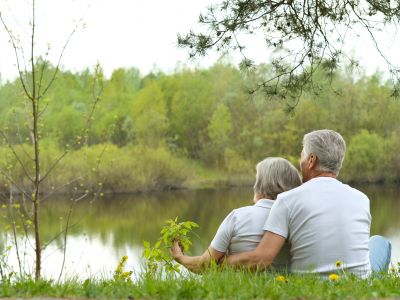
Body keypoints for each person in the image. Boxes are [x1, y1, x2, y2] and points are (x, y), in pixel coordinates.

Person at [224, 129, 391, 277]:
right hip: (358, 285)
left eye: (302, 155)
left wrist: (219, 263)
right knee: (380, 242)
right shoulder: (362, 198)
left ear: (311, 160)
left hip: (311, 283)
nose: (300, 161)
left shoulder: (288, 199)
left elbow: (261, 259)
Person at [171, 157, 302, 273]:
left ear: (259, 185)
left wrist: (180, 258)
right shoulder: (299, 220)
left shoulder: (238, 216)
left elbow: (204, 265)